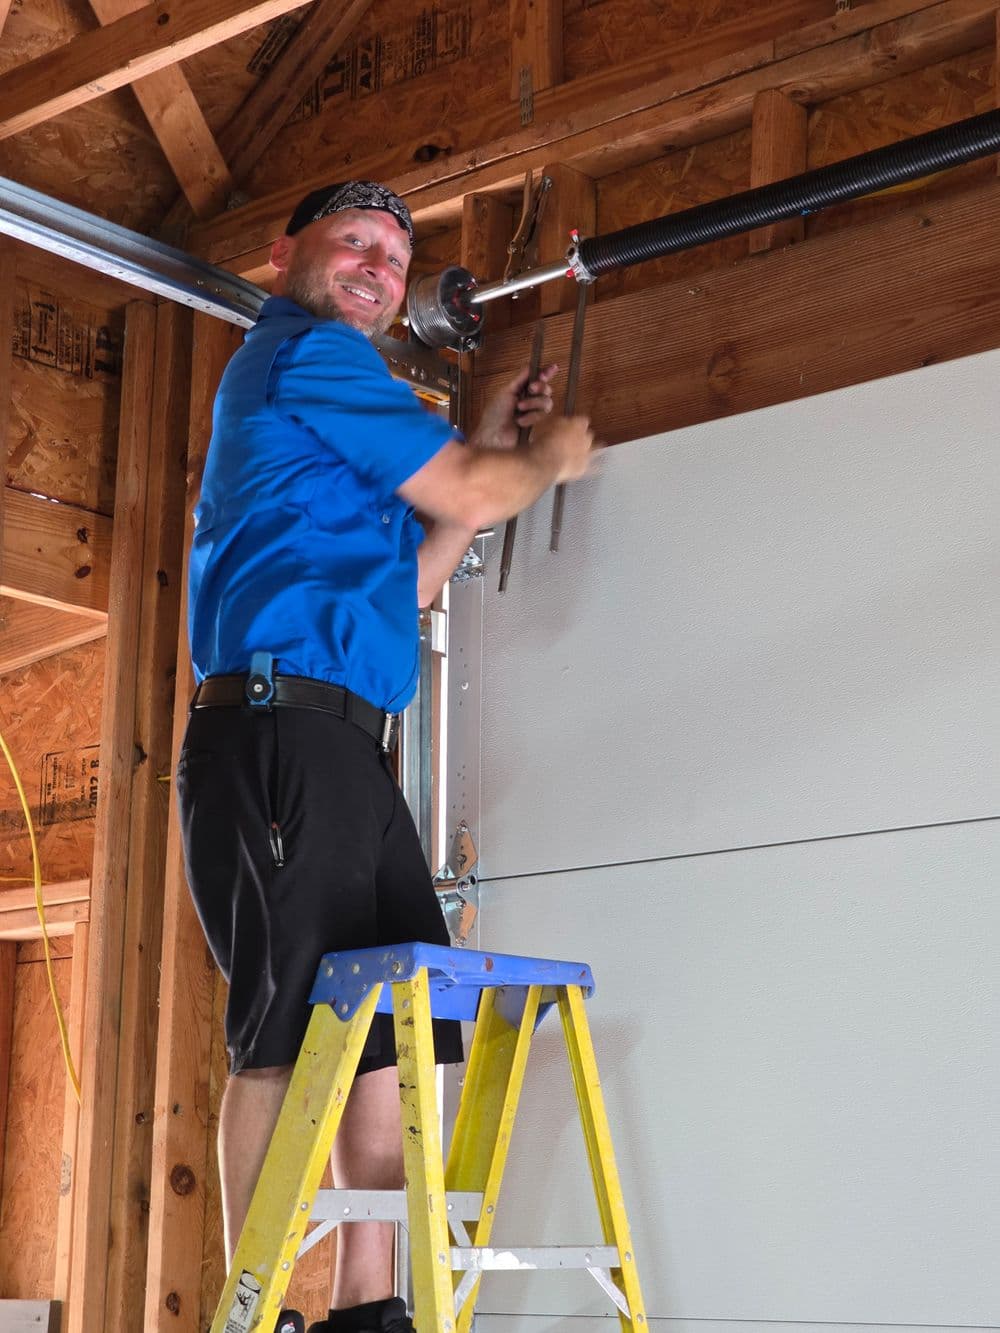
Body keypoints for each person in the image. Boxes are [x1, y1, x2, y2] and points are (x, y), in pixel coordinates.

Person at [176, 180, 597, 1333]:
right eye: (351, 241)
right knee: (283, 1031)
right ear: (285, 252)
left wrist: (492, 458)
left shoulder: (344, 406)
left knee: (378, 1044)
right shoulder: (305, 355)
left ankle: (368, 1308)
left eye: (392, 254)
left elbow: (415, 573)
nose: (374, 264)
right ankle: (258, 1307)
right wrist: (546, 454)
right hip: (272, 732)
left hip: (348, 744)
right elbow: (469, 488)